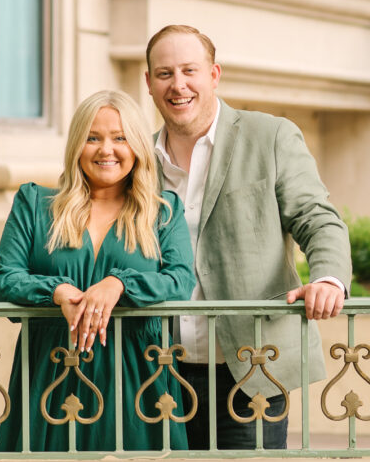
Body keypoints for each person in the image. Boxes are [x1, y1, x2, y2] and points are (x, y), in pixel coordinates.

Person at [144, 24, 352, 449]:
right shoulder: (136, 158)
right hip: (158, 369)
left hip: (253, 368)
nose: (178, 84)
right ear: (148, 83)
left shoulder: (270, 136)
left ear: (214, 74)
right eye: (164, 73)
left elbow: (317, 217)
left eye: (189, 70)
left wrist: (329, 278)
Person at [0, 90, 196, 452]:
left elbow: (180, 281)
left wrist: (119, 284)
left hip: (138, 379)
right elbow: (4, 278)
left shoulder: (162, 212)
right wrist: (56, 291)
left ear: (136, 146)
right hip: (51, 372)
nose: (106, 150)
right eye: (92, 138)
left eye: (120, 138)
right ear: (76, 146)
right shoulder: (35, 205)